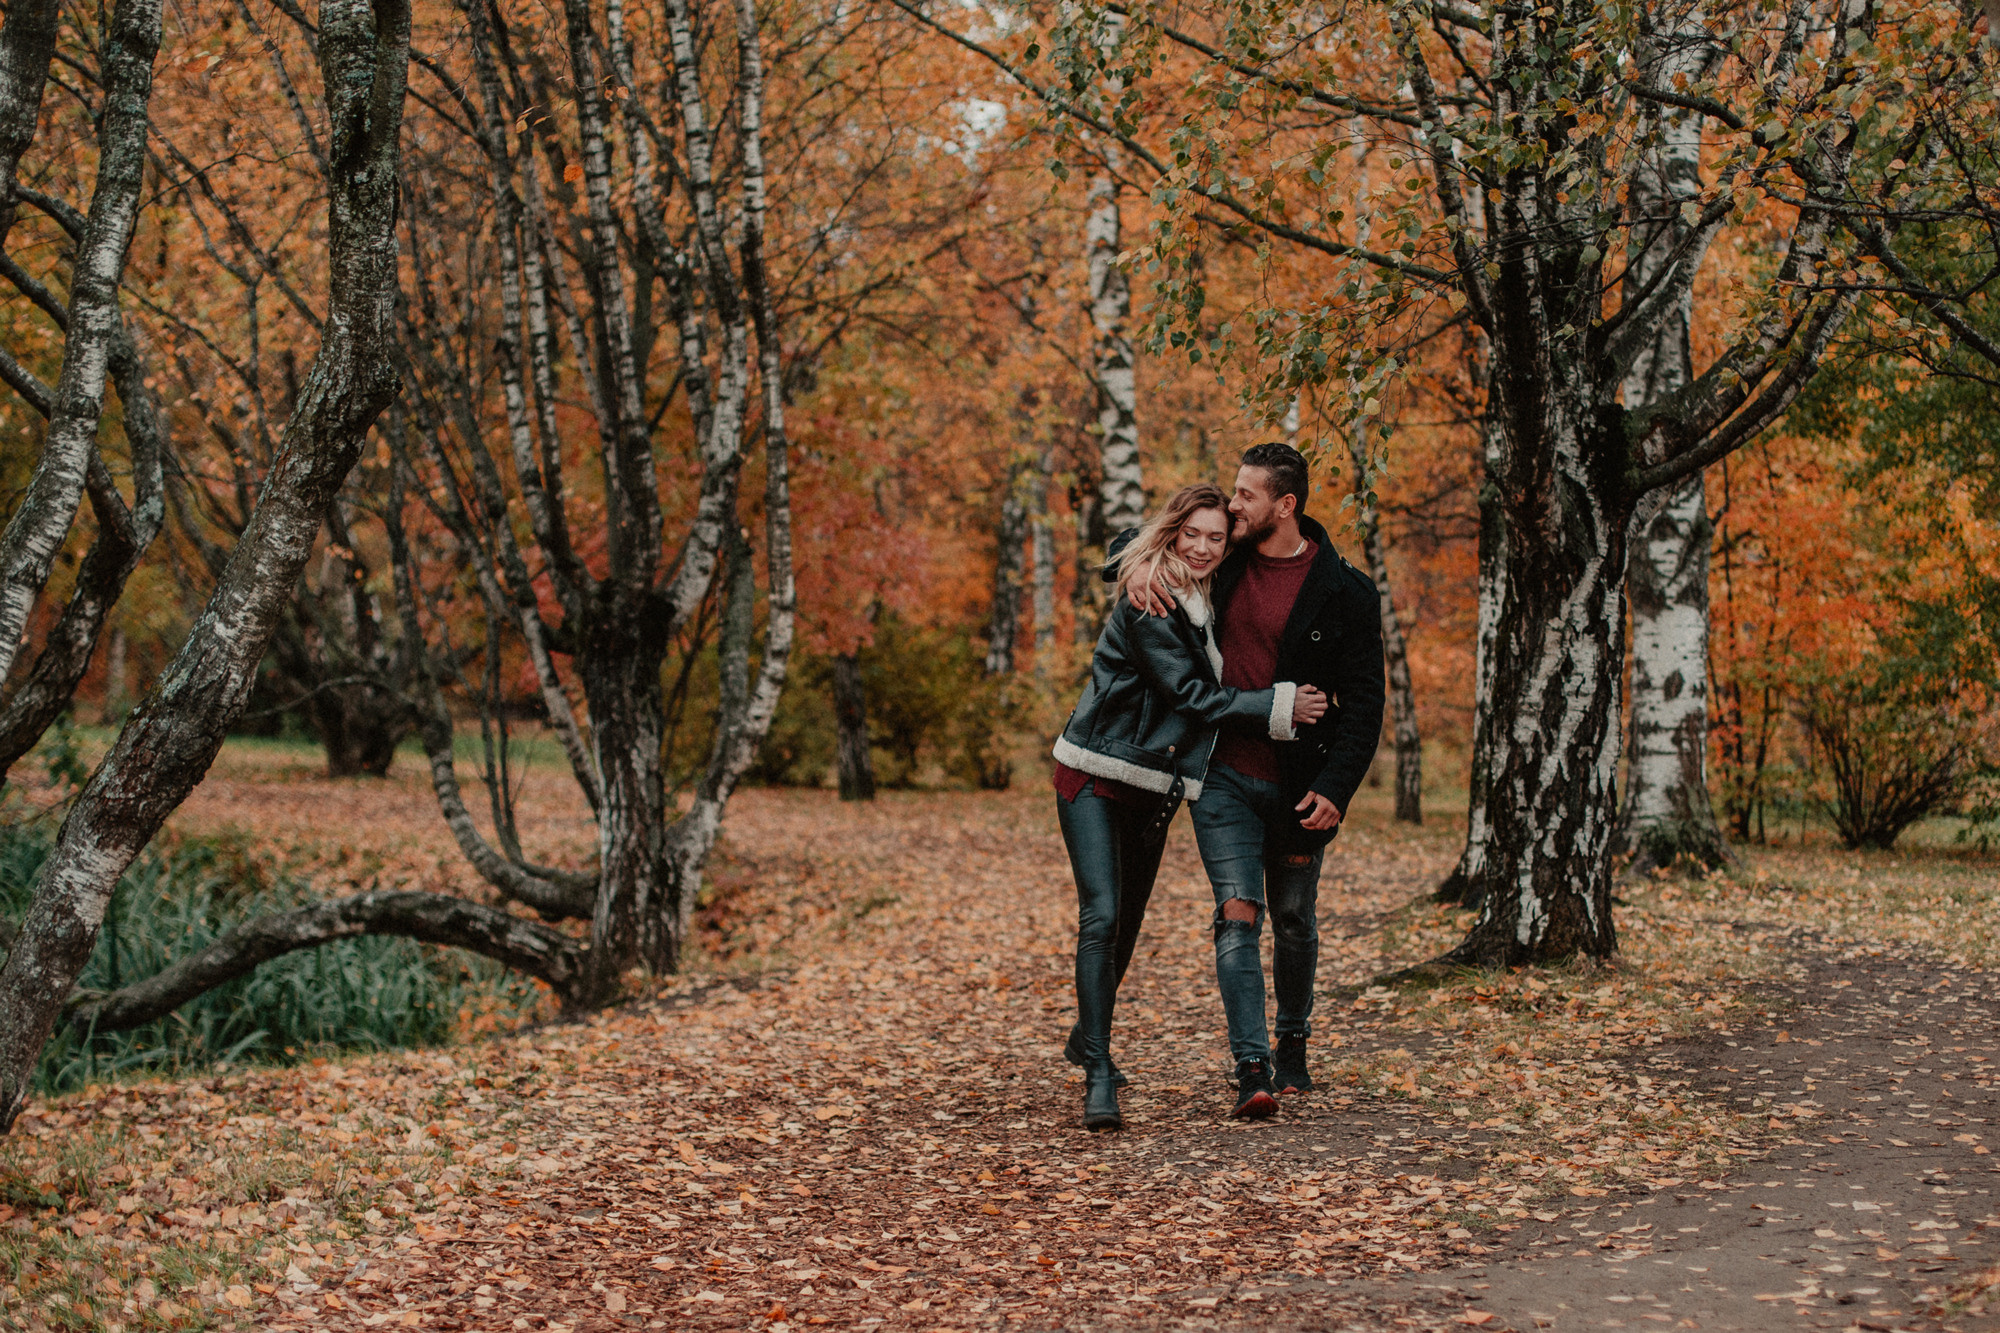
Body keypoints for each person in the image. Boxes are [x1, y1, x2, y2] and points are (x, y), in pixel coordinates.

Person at [1051, 483, 1328, 1131]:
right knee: (1102, 914)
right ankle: (1097, 1070)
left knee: (1126, 926)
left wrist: (1143, 559)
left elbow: (1133, 547)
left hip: (1154, 785)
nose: (1203, 547)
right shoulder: (1151, 603)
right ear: (1171, 533)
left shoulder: (1208, 583)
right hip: (1093, 769)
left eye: (1215, 535)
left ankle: (1085, 1033)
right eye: (1190, 535)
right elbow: (1194, 697)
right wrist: (1280, 705)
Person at [1125, 443, 1385, 1119]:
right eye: (1235, 492)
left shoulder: (1346, 591)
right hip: (1225, 776)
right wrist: (1137, 573)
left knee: (1294, 919)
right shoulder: (1224, 563)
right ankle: (1252, 1067)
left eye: (1246, 495)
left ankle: (1292, 1042)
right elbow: (1144, 540)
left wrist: (1337, 786)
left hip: (1301, 784)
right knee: (1238, 914)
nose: (1233, 504)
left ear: (1285, 504)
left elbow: (1365, 701)